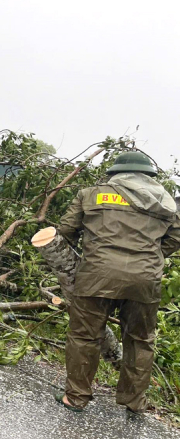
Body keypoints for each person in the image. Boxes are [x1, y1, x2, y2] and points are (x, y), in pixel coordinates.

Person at [56, 151, 180, 414]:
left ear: (115, 174)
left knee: (84, 336)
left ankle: (76, 398)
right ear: (149, 176)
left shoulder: (91, 194)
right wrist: (152, 256)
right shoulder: (166, 203)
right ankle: (134, 402)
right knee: (140, 340)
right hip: (145, 280)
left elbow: (65, 231)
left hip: (96, 276)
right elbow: (176, 237)